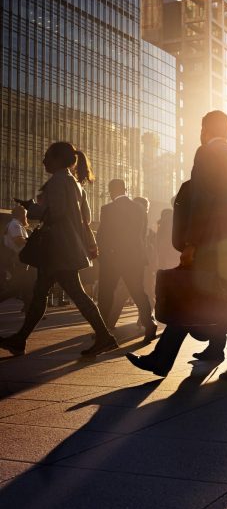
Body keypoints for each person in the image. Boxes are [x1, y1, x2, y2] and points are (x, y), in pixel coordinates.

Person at [126, 177, 227, 378]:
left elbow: (200, 222)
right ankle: (167, 359)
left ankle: (162, 360)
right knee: (196, 309)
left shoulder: (209, 188)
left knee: (190, 310)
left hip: (217, 263)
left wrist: (190, 245)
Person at [0, 142, 117, 357]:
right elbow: (86, 218)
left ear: (58, 159)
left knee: (73, 293)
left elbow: (56, 213)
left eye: (47, 157)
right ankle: (19, 339)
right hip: (64, 248)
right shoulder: (75, 184)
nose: (43, 161)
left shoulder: (58, 181)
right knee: (41, 294)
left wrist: (31, 207)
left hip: (57, 249)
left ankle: (104, 336)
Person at [96, 180, 158, 343]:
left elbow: (103, 235)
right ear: (125, 189)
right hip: (135, 258)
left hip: (114, 258)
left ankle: (102, 330)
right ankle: (149, 323)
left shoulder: (108, 209)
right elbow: (142, 234)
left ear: (111, 191)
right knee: (138, 292)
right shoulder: (139, 208)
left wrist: (103, 255)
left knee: (106, 294)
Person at [0, 206, 33, 310]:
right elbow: (18, 240)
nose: (26, 217)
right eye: (25, 215)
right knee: (16, 288)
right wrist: (32, 241)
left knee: (27, 285)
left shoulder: (18, 225)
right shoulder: (15, 225)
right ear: (21, 214)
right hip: (19, 259)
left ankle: (30, 309)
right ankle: (30, 309)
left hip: (22, 259)